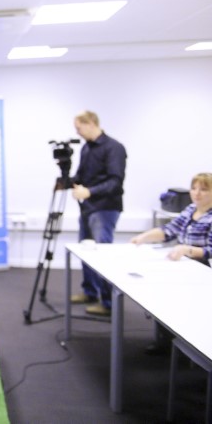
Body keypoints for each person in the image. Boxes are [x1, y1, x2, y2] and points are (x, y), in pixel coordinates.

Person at [130, 172, 212, 353]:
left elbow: (210, 250)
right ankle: (165, 342)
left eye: (204, 190)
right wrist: (143, 237)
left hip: (202, 270)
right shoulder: (191, 209)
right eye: (194, 188)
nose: (197, 193)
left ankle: (191, 347)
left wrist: (187, 249)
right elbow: (169, 230)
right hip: (182, 265)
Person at [69, 110, 127, 316]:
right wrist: (65, 181)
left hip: (106, 208)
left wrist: (89, 191)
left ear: (91, 122)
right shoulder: (86, 149)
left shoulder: (114, 148)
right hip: (88, 207)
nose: (77, 132)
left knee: (102, 254)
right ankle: (90, 292)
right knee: (86, 251)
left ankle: (109, 303)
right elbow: (81, 175)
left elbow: (115, 181)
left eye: (79, 127)